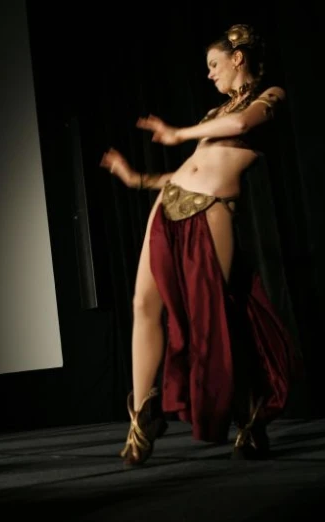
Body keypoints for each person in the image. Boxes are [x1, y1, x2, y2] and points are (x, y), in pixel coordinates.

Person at [100, 24, 299, 465]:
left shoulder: (271, 98)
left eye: (214, 65)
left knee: (214, 315)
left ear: (238, 59)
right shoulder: (211, 117)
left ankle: (250, 413)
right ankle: (144, 416)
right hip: (168, 206)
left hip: (211, 209)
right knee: (142, 305)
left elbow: (242, 122)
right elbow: (186, 169)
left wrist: (177, 133)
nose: (209, 75)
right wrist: (138, 180)